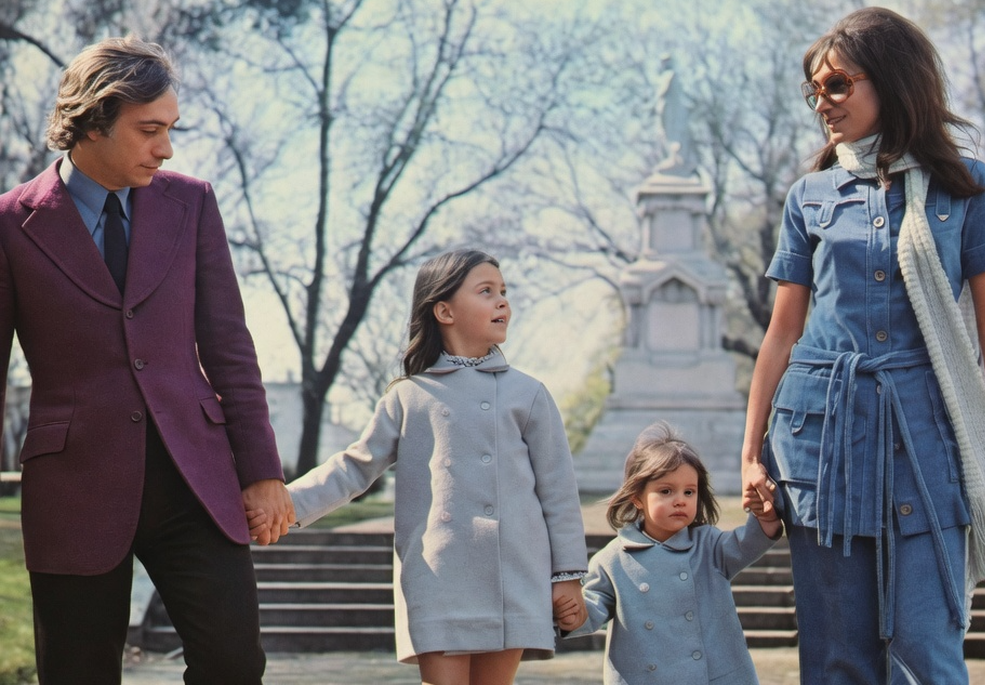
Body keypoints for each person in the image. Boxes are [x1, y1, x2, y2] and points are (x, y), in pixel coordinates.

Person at [739, 8, 985, 684]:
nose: (823, 103)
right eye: (815, 91)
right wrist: (752, 453)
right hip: (820, 442)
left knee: (928, 650)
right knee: (838, 657)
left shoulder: (966, 186)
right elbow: (782, 331)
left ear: (893, 81)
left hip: (931, 438)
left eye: (838, 85)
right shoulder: (809, 196)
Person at [0, 37, 294, 684]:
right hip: (74, 485)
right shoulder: (11, 223)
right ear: (94, 122)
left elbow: (229, 346)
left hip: (195, 475)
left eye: (170, 130)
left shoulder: (192, 205)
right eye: (150, 130)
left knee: (235, 662)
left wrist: (262, 469)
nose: (166, 147)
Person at [265, 249, 589, 685]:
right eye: (486, 291)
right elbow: (353, 468)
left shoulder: (528, 394)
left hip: (514, 573)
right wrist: (285, 503)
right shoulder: (408, 396)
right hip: (438, 573)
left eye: (504, 292)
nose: (503, 302)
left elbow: (559, 491)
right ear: (444, 310)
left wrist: (567, 576)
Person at [563, 421, 783, 684]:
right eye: (666, 491)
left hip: (717, 675)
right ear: (636, 497)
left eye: (689, 491)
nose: (680, 500)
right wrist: (572, 613)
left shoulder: (709, 546)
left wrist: (765, 517)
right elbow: (592, 608)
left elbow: (747, 544)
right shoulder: (613, 560)